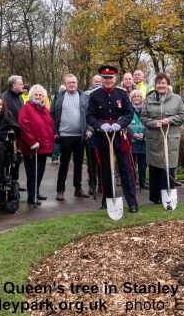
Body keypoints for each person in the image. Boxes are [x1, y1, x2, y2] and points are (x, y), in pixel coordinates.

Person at [87, 65, 138, 212]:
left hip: (120, 136)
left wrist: (119, 123)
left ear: (115, 78)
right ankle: (108, 200)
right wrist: (99, 125)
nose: (108, 80)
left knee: (125, 169)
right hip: (103, 137)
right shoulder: (94, 95)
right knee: (106, 170)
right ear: (101, 79)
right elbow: (90, 116)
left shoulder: (122, 94)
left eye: (110, 78)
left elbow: (129, 113)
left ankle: (132, 202)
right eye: (105, 78)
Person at [141, 73, 184, 204]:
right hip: (154, 138)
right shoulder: (149, 99)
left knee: (169, 166)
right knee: (155, 167)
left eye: (163, 83)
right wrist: (154, 123)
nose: (161, 85)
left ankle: (168, 197)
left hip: (170, 137)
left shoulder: (177, 99)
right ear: (155, 85)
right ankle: (155, 198)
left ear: (168, 84)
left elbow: (183, 115)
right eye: (159, 83)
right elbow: (143, 117)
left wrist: (170, 120)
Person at [52, 74, 92, 202]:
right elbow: (52, 115)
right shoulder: (58, 97)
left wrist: (89, 129)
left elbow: (90, 115)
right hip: (64, 136)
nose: (72, 84)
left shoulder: (84, 97)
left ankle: (78, 188)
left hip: (80, 136)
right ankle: (60, 190)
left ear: (77, 83)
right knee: (64, 164)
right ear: (65, 83)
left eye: (74, 82)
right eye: (69, 82)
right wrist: (54, 132)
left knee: (79, 164)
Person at [18, 85, 54, 206]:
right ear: (31, 95)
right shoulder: (26, 108)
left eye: (41, 95)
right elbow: (24, 126)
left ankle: (36, 192)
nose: (38, 97)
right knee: (32, 173)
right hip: (31, 148)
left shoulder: (44, 109)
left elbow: (48, 126)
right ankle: (31, 196)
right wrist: (32, 142)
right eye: (36, 94)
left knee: (40, 172)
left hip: (43, 147)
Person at [2, 75, 25, 187]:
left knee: (17, 159)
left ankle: (14, 182)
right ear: (13, 85)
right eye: (20, 84)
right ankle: (6, 181)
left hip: (20, 134)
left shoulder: (20, 97)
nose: (23, 85)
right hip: (10, 134)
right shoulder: (4, 98)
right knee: (8, 160)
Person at [129, 89, 147, 189]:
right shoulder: (127, 109)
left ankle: (142, 183)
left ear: (141, 98)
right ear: (131, 99)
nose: (136, 98)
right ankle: (132, 182)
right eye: (134, 96)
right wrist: (132, 134)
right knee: (132, 164)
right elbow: (125, 124)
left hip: (143, 141)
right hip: (132, 141)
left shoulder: (145, 110)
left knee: (143, 164)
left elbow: (148, 123)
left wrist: (143, 135)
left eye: (138, 96)